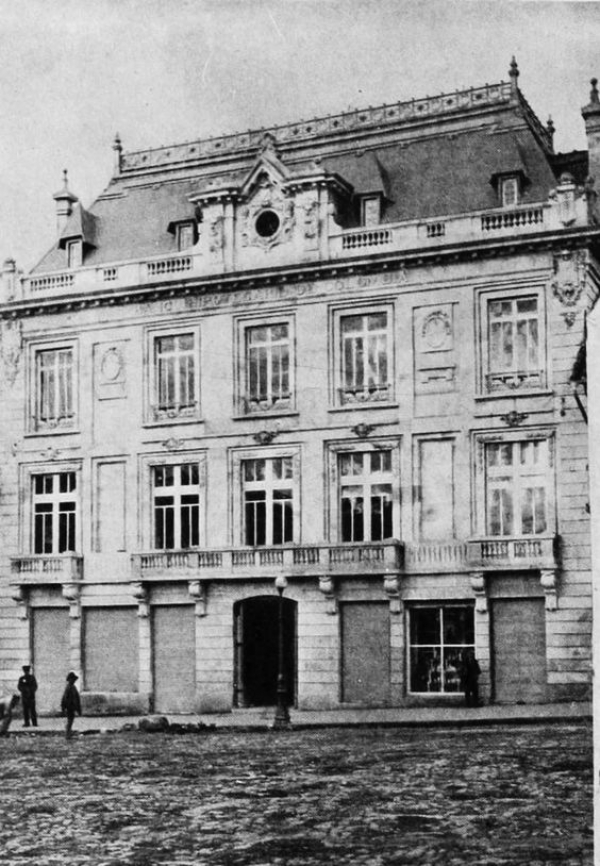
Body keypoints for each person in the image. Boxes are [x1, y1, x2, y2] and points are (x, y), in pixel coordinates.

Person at [61, 672, 82, 739]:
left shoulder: (73, 687)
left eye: (74, 679)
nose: (74, 681)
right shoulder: (69, 687)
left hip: (72, 707)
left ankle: (68, 733)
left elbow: (77, 698)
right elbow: (64, 698)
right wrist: (63, 707)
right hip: (69, 707)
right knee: (70, 721)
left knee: (71, 720)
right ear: (70, 679)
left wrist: (78, 708)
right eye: (72, 679)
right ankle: (67, 734)